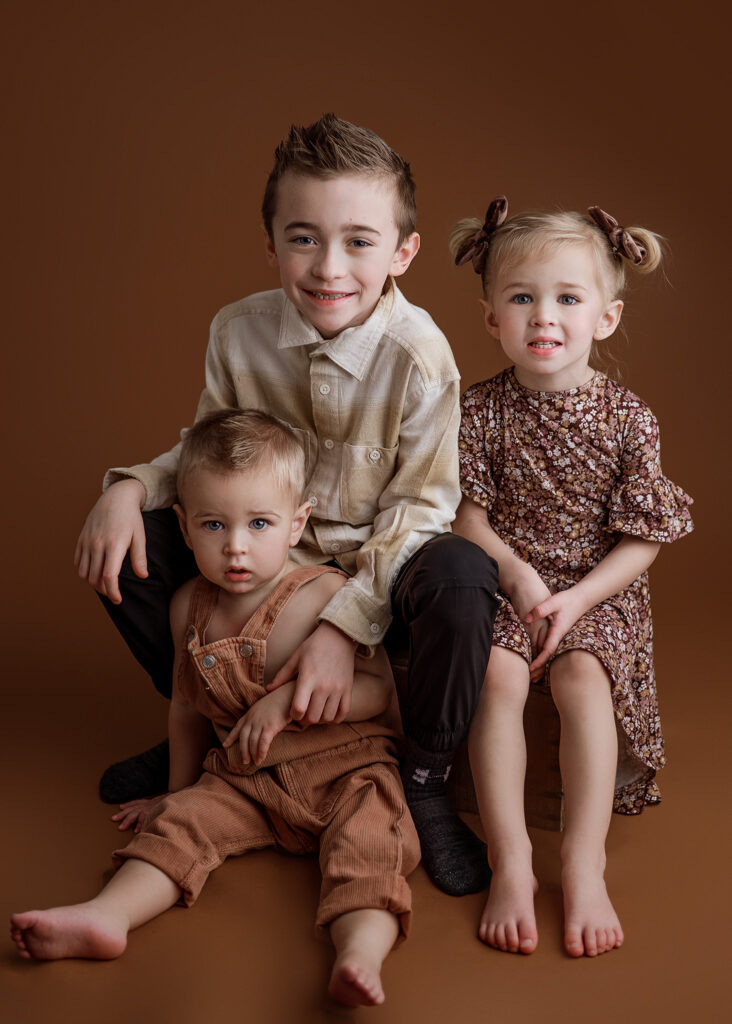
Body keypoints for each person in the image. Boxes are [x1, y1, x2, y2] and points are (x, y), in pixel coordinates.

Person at [73, 114, 499, 897]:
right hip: (271, 558)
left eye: (359, 241)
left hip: (381, 568)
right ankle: (213, 724)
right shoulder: (238, 332)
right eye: (303, 238)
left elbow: (420, 504)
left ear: (403, 252)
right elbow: (211, 454)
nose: (329, 266)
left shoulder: (418, 353)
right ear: (271, 243)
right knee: (133, 542)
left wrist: (346, 625)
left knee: (464, 578)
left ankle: (427, 778)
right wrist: (130, 484)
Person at [12, 409, 421, 1007]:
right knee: (180, 827)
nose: (236, 546)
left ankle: (358, 952)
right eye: (213, 524)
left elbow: (378, 694)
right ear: (183, 527)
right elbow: (186, 710)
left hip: (345, 769)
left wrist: (284, 703)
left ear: (297, 521)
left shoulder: (325, 597)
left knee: (370, 845)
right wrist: (175, 794)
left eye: (260, 523)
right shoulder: (186, 609)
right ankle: (107, 917)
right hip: (242, 780)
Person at [451, 198, 693, 957]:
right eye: (521, 298)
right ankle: (510, 857)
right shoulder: (482, 411)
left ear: (606, 318)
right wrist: (520, 579)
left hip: (597, 590)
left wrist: (578, 598)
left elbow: (642, 540)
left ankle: (582, 865)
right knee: (496, 674)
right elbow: (466, 520)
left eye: (566, 298)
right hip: (508, 579)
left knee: (584, 678)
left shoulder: (628, 419)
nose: (543, 317)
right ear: (493, 318)